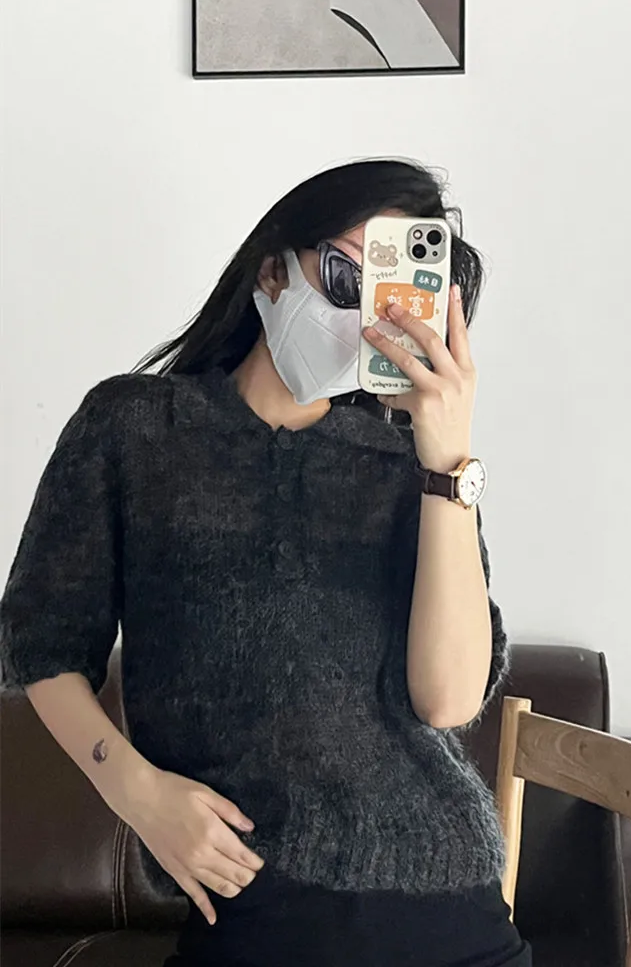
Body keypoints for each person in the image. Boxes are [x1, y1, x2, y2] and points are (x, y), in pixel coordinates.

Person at [0, 159, 531, 966]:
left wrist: (448, 465)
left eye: (394, 300)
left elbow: (448, 699)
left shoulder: (410, 466)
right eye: (346, 278)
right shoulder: (134, 430)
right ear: (272, 268)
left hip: (453, 918)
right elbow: (40, 644)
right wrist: (137, 792)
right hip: (251, 914)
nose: (363, 320)